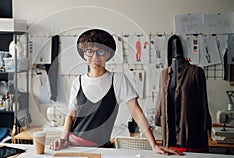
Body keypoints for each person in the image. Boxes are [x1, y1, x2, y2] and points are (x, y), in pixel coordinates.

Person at [49, 29, 182, 156]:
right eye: (90, 51)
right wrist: (63, 139)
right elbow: (71, 115)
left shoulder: (118, 79)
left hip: (102, 148)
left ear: (108, 54)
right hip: (74, 146)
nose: (95, 56)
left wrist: (153, 144)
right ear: (84, 54)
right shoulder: (77, 82)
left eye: (100, 51)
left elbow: (136, 111)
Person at [155, 35, 212, 153]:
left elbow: (203, 103)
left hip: (191, 140)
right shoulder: (164, 74)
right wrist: (157, 119)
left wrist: (207, 126)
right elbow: (160, 102)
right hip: (169, 141)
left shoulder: (196, 72)